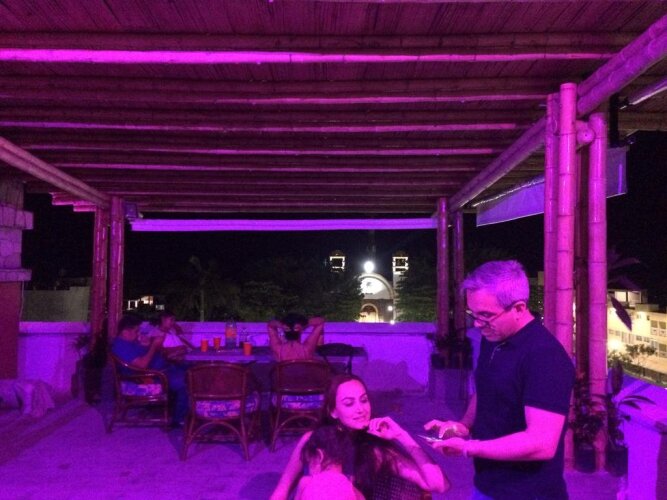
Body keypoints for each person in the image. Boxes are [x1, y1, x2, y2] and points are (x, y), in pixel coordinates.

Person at [424, 260, 575, 499]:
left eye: (485, 315)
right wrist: (464, 426)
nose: (477, 324)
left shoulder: (544, 356)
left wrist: (469, 448)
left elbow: (541, 443)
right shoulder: (493, 337)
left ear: (519, 308)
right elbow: (486, 388)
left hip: (528, 493)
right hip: (488, 484)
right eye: (473, 314)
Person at [271, 374, 448, 499]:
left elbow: (438, 485)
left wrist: (402, 435)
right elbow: (282, 490)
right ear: (333, 411)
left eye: (364, 400)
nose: (361, 409)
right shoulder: (313, 440)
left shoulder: (375, 450)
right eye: (349, 403)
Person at [111, 314, 188, 426]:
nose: (138, 334)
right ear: (125, 332)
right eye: (136, 331)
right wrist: (153, 346)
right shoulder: (121, 346)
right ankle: (179, 419)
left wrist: (147, 344)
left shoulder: (130, 342)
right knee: (185, 381)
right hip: (150, 377)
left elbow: (143, 353)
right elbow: (142, 365)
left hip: (162, 369)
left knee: (192, 369)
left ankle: (193, 411)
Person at [294, 425, 364, 500]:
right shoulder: (353, 491)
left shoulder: (306, 483)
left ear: (319, 456)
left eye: (309, 461)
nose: (308, 468)